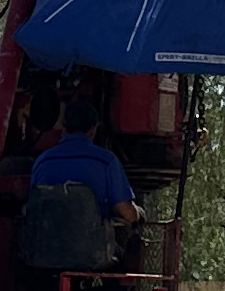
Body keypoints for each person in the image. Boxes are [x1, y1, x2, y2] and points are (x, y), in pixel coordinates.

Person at [27, 79, 142, 222]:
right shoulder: (106, 161)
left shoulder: (42, 161)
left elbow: (32, 203)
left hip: (45, 241)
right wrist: (139, 213)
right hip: (91, 243)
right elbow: (126, 211)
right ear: (93, 130)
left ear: (64, 128)